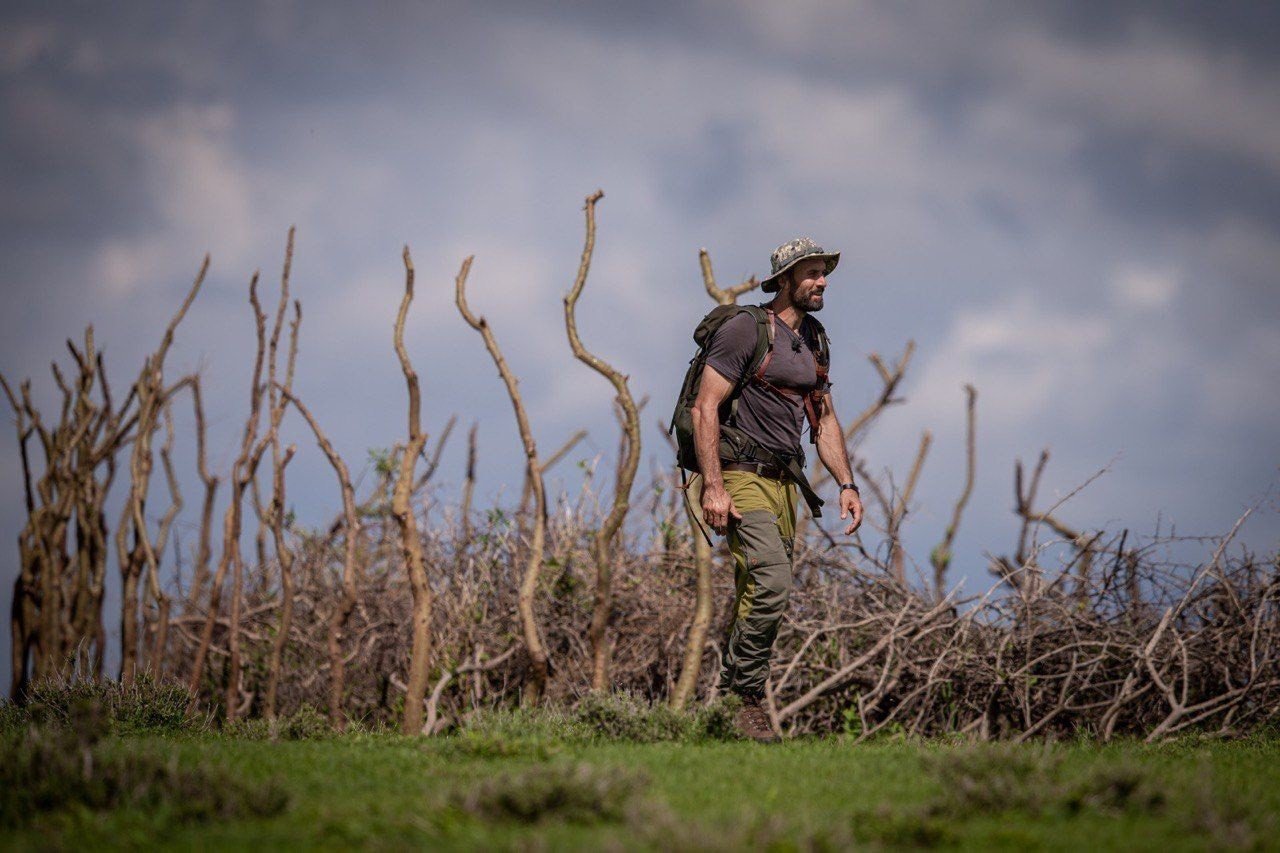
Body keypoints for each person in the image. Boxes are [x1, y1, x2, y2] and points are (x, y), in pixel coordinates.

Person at [689, 236, 863, 743]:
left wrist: (847, 483)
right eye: (811, 273)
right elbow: (705, 409)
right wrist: (714, 488)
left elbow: (823, 418)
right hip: (739, 473)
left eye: (824, 272)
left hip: (785, 484)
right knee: (771, 581)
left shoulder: (815, 338)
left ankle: (722, 716)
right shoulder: (747, 329)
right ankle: (742, 699)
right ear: (784, 280)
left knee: (760, 592)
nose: (822, 281)